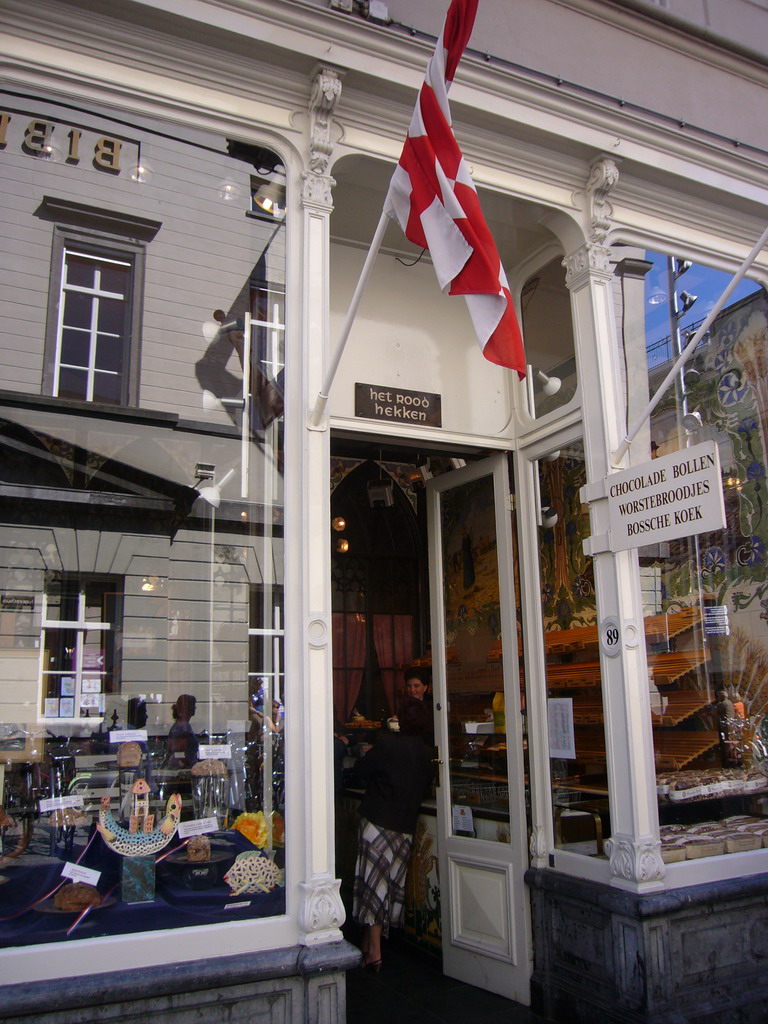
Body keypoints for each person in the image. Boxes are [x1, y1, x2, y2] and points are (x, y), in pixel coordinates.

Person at [352, 697, 434, 972]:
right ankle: (368, 943)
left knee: (373, 885)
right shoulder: (426, 752)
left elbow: (362, 771)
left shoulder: (388, 745)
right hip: (405, 826)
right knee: (389, 885)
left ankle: (375, 951)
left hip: (378, 821)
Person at [165, 693, 199, 767]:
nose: (195, 708)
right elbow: (180, 748)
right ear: (187, 707)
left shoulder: (179, 726)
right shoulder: (183, 727)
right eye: (193, 705)